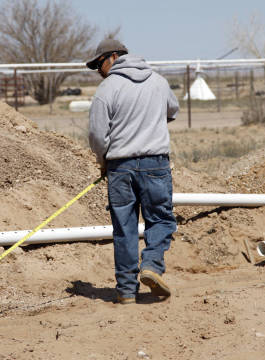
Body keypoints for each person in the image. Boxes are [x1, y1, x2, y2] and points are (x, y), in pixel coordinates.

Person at [86, 39, 179, 305]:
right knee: (160, 220)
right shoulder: (158, 82)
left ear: (114, 57)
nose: (99, 71)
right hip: (155, 164)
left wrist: (103, 160)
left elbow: (97, 134)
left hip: (119, 166)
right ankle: (151, 265)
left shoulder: (107, 89)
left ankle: (126, 290)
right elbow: (172, 110)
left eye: (99, 64)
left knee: (124, 228)